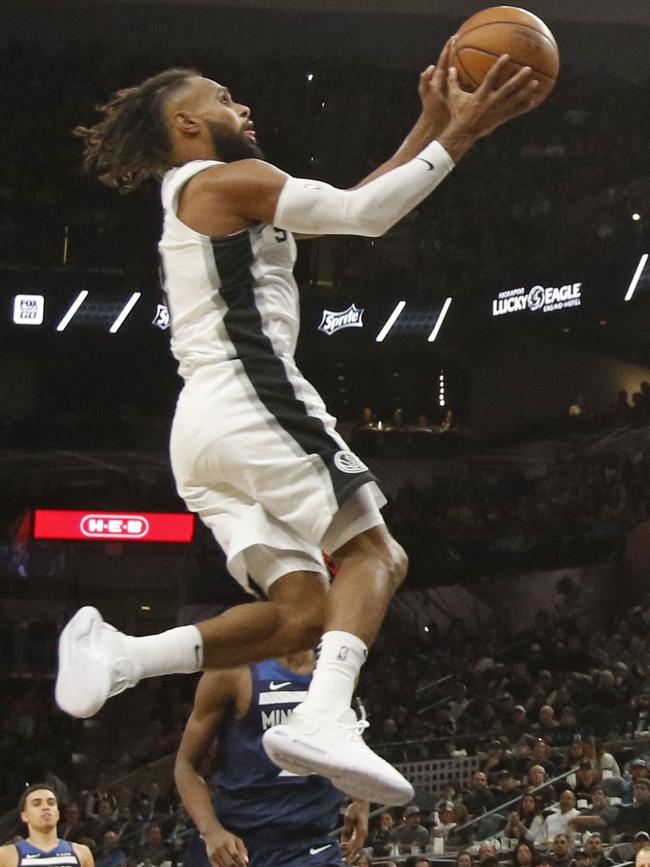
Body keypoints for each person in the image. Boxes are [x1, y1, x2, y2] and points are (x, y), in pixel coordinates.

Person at [55, 38, 540, 805]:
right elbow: (367, 216)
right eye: (221, 97)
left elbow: (350, 210)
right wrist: (463, 133)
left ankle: (124, 656)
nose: (239, 108)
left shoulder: (217, 191)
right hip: (252, 398)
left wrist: (427, 126)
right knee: (377, 555)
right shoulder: (225, 178)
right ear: (184, 122)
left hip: (203, 430)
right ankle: (325, 716)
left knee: (303, 614)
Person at [175, 650, 368, 867]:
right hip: (236, 845)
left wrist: (360, 798)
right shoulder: (232, 671)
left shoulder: (340, 672)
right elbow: (185, 765)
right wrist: (211, 831)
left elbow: (344, 738)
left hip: (311, 844)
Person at [0, 785, 94, 867]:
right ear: (24, 816)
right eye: (37, 804)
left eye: (51, 803)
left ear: (58, 813)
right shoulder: (6, 855)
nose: (46, 807)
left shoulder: (81, 853)